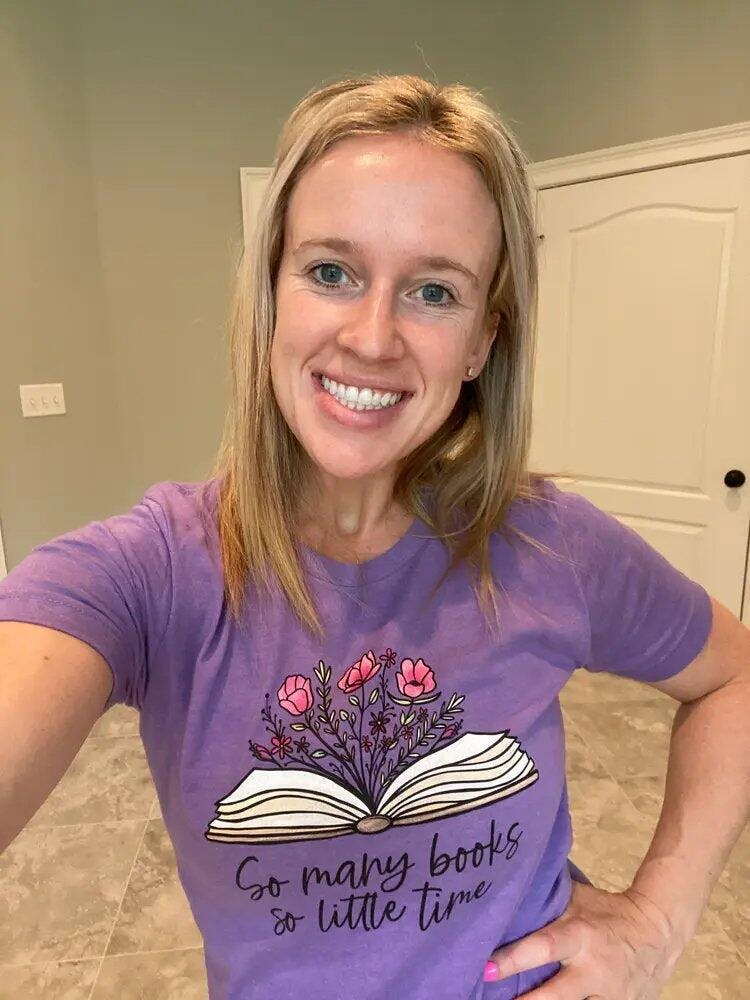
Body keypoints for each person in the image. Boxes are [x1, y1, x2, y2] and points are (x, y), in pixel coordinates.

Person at [1, 72, 748, 1000]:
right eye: (331, 272)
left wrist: (660, 920)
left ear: (481, 343)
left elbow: (735, 676)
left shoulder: (548, 544)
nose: (372, 337)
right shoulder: (147, 574)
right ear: (271, 295)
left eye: (434, 291)